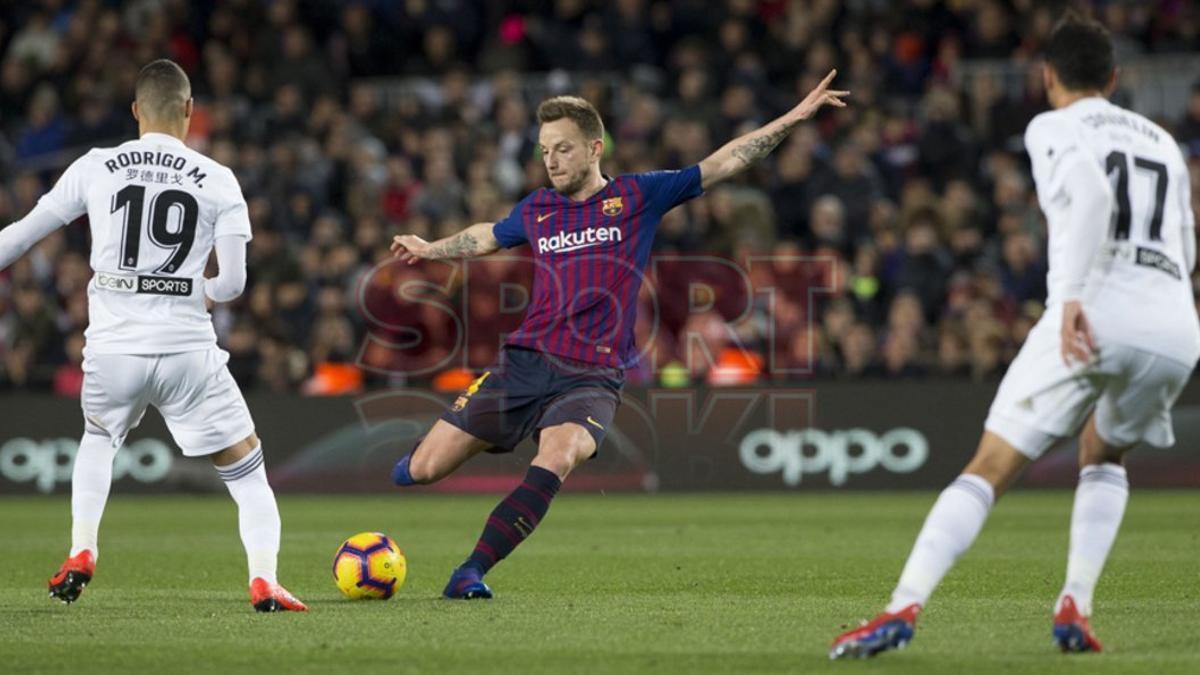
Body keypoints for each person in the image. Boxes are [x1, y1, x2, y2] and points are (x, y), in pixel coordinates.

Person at [389, 72, 849, 599]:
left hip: (591, 376)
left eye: (563, 149)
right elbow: (486, 237)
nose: (552, 160)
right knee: (423, 470)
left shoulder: (637, 196)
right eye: (545, 151)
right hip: (524, 363)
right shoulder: (538, 208)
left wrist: (793, 117)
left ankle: (469, 571)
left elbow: (723, 162)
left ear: (594, 148)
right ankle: (427, 454)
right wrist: (429, 247)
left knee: (558, 457)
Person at [830, 14, 1197, 658]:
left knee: (990, 467)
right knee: (1104, 454)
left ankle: (901, 608)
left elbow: (1087, 193)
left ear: (1047, 76)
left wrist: (1077, 295)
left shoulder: (1052, 124)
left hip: (1094, 314)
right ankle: (1075, 609)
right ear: (1113, 77)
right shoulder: (1163, 141)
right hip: (1173, 324)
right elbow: (1186, 242)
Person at [0, 59, 305, 612]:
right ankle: (265, 579)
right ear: (190, 109)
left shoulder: (96, 166)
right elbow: (233, 283)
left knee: (98, 438)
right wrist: (198, 290)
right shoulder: (218, 178)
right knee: (247, 468)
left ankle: (82, 550)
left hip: (113, 350)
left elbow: (19, 239)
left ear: (137, 110)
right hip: (187, 350)